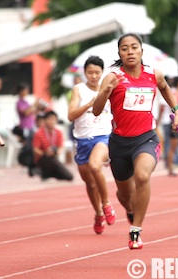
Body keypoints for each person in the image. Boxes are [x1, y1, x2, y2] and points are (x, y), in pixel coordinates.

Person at [92, 33, 178, 249]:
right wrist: (106, 90)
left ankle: (136, 230)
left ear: (142, 51)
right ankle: (131, 211)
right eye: (125, 48)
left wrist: (177, 112)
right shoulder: (112, 77)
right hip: (119, 144)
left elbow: (165, 88)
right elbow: (96, 111)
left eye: (134, 47)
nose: (130, 51)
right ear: (119, 53)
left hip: (146, 139)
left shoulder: (154, 74)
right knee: (126, 197)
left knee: (143, 176)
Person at [68, 56, 116, 234]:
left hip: (102, 137)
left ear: (102, 73)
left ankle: (106, 204)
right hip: (82, 140)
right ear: (85, 73)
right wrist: (89, 104)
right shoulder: (78, 90)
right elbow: (71, 115)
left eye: (97, 72)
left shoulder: (108, 90)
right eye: (90, 72)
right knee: (90, 183)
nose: (94, 76)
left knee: (96, 167)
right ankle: (98, 214)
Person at [32, 110, 73, 181]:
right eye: (50, 119)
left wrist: (57, 152)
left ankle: (47, 174)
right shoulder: (39, 133)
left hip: (54, 157)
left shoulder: (58, 132)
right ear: (45, 120)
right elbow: (35, 149)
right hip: (43, 158)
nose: (52, 121)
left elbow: (60, 146)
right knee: (49, 159)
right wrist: (45, 153)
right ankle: (44, 172)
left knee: (68, 176)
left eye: (54, 119)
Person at [15, 83, 46, 177]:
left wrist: (38, 107)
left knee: (32, 147)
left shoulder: (26, 102)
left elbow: (32, 112)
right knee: (27, 147)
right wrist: (34, 104)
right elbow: (26, 113)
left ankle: (32, 165)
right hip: (25, 127)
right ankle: (26, 164)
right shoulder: (19, 102)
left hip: (31, 126)